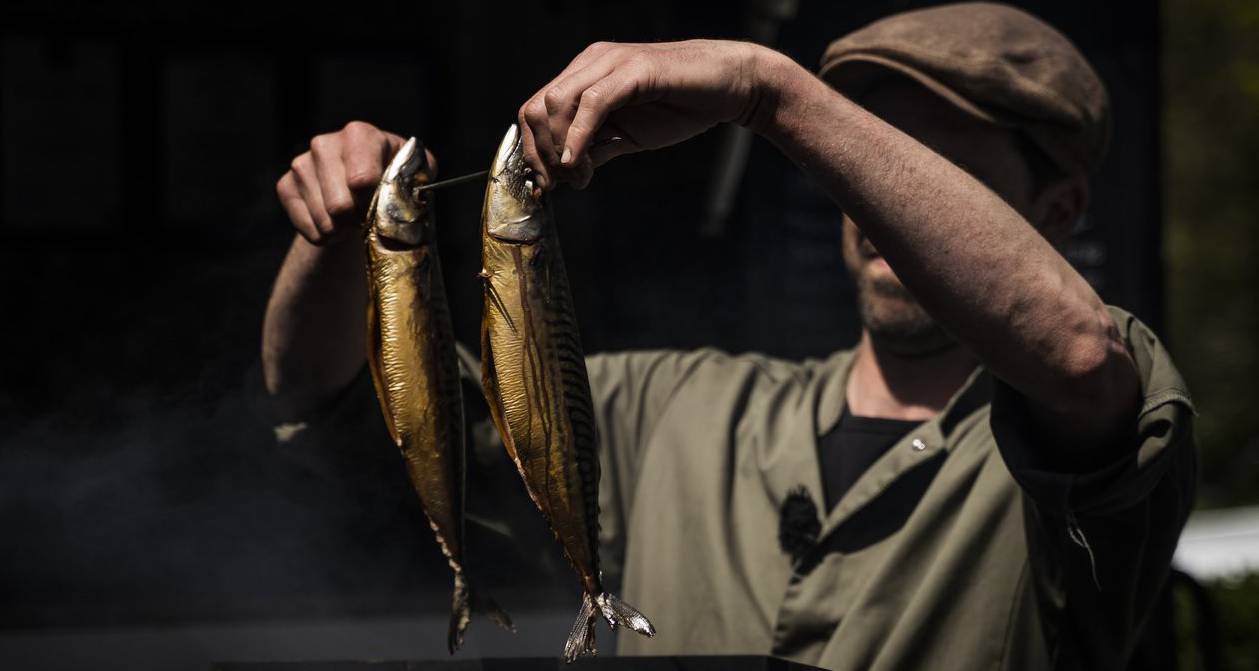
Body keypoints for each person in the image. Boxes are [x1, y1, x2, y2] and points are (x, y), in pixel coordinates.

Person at [263, 3, 1195, 669]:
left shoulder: (1085, 424)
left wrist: (771, 93)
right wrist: (343, 238)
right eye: (859, 159)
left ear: (1059, 207)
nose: (873, 206)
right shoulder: (674, 407)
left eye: (920, 168)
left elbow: (1075, 358)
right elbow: (338, 397)